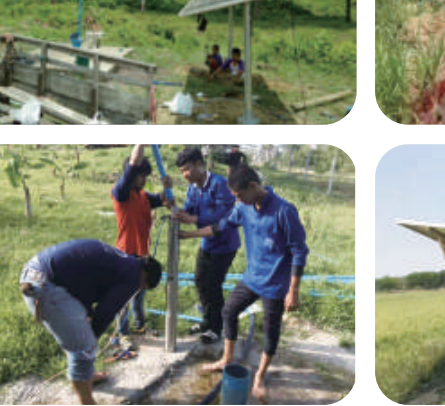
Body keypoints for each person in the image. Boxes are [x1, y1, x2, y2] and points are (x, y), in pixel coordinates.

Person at [201, 165, 309, 401]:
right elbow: (222, 227)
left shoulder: (284, 211)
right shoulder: (244, 208)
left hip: (276, 285)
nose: (238, 201)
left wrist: (293, 290)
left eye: (239, 196)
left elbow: (299, 251)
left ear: (253, 187)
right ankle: (227, 359)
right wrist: (190, 232)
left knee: (271, 333)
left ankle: (259, 375)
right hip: (252, 278)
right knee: (228, 310)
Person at [20, 239, 163, 405]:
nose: (138, 291)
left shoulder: (126, 262)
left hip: (34, 272)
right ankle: (86, 400)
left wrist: (86, 324)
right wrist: (89, 340)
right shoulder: (133, 276)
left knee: (81, 338)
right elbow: (105, 313)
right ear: (145, 278)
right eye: (142, 288)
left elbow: (84, 283)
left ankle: (86, 376)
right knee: (83, 347)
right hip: (43, 287)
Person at [172, 146, 237, 344]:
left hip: (225, 245)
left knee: (213, 286)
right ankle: (207, 322)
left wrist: (192, 220)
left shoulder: (220, 184)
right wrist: (176, 211)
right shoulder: (193, 188)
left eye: (187, 169)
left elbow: (220, 218)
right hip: (207, 244)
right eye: (181, 171)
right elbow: (189, 210)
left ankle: (216, 329)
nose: (184, 175)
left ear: (199, 164)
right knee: (200, 281)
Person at [111, 145, 172, 346]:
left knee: (140, 293)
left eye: (145, 176)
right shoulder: (121, 193)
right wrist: (143, 139)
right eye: (141, 175)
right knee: (123, 295)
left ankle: (139, 326)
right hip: (126, 253)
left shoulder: (144, 196)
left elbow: (164, 200)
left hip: (142, 252)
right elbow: (132, 165)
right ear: (131, 175)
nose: (143, 179)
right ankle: (123, 333)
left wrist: (167, 188)